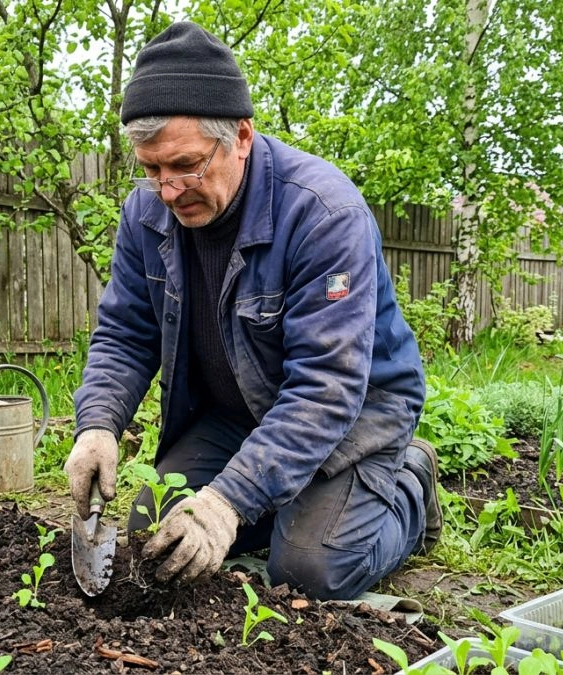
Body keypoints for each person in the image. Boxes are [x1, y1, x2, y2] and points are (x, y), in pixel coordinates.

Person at [65, 21, 440, 601]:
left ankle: (410, 485)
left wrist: (227, 501)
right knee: (153, 535)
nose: (168, 190)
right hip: (236, 414)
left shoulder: (322, 213)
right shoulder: (146, 214)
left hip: (354, 413)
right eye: (151, 169)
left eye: (186, 165)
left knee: (310, 572)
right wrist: (96, 425)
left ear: (241, 136)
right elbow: (125, 334)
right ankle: (285, 497)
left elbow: (327, 385)